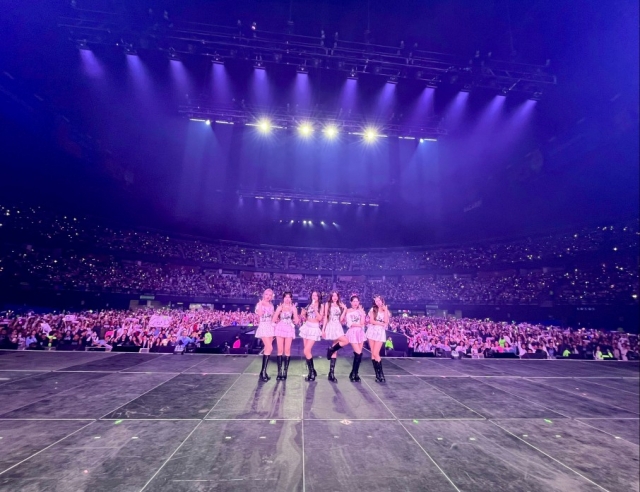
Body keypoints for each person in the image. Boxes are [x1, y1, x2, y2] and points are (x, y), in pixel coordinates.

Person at [272, 292, 299, 380]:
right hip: (280, 327)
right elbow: (274, 319)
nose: (287, 299)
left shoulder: (293, 308)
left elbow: (296, 321)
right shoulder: (280, 307)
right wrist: (278, 310)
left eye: (289, 297)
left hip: (289, 329)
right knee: (279, 350)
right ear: (283, 298)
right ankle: (279, 372)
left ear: (291, 299)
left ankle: (285, 372)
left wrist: (295, 311)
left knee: (287, 350)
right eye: (285, 297)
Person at [323, 291, 349, 382]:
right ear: (331, 296)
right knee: (345, 341)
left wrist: (345, 309)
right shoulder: (328, 304)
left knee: (335, 350)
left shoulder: (339, 305)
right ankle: (331, 350)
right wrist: (323, 329)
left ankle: (331, 374)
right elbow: (325, 317)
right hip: (331, 325)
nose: (335, 297)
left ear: (338, 297)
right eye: (333, 295)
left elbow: (341, 319)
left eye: (336, 296)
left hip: (338, 326)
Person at [299, 291, 324, 382]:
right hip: (307, 326)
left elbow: (320, 318)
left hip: (314, 328)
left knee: (306, 350)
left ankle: (312, 373)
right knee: (307, 351)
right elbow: (306, 317)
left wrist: (315, 309)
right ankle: (312, 371)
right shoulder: (309, 305)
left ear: (319, 297)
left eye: (316, 295)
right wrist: (303, 314)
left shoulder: (321, 306)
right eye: (313, 295)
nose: (314, 297)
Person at [343, 295, 366, 382]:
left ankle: (355, 373)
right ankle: (353, 373)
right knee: (358, 352)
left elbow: (363, 322)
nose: (356, 303)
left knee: (359, 354)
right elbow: (350, 323)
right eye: (354, 301)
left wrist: (362, 313)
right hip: (352, 332)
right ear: (351, 302)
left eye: (357, 301)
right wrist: (359, 324)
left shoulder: (361, 311)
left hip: (360, 332)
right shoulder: (348, 311)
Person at [366, 295, 389, 383]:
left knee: (376, 353)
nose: (378, 302)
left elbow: (386, 322)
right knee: (373, 353)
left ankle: (381, 374)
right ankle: (377, 375)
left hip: (380, 333)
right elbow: (371, 321)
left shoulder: (385, 310)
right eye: (376, 301)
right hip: (372, 331)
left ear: (382, 301)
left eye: (379, 300)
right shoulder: (373, 309)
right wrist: (381, 323)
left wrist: (386, 310)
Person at [255, 288, 275, 382]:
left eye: (270, 295)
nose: (268, 296)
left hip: (270, 326)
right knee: (269, 348)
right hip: (263, 326)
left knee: (268, 349)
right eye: (266, 294)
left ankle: (263, 372)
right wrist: (260, 305)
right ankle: (263, 372)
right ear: (264, 294)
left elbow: (272, 317)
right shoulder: (259, 303)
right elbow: (259, 314)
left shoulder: (271, 305)